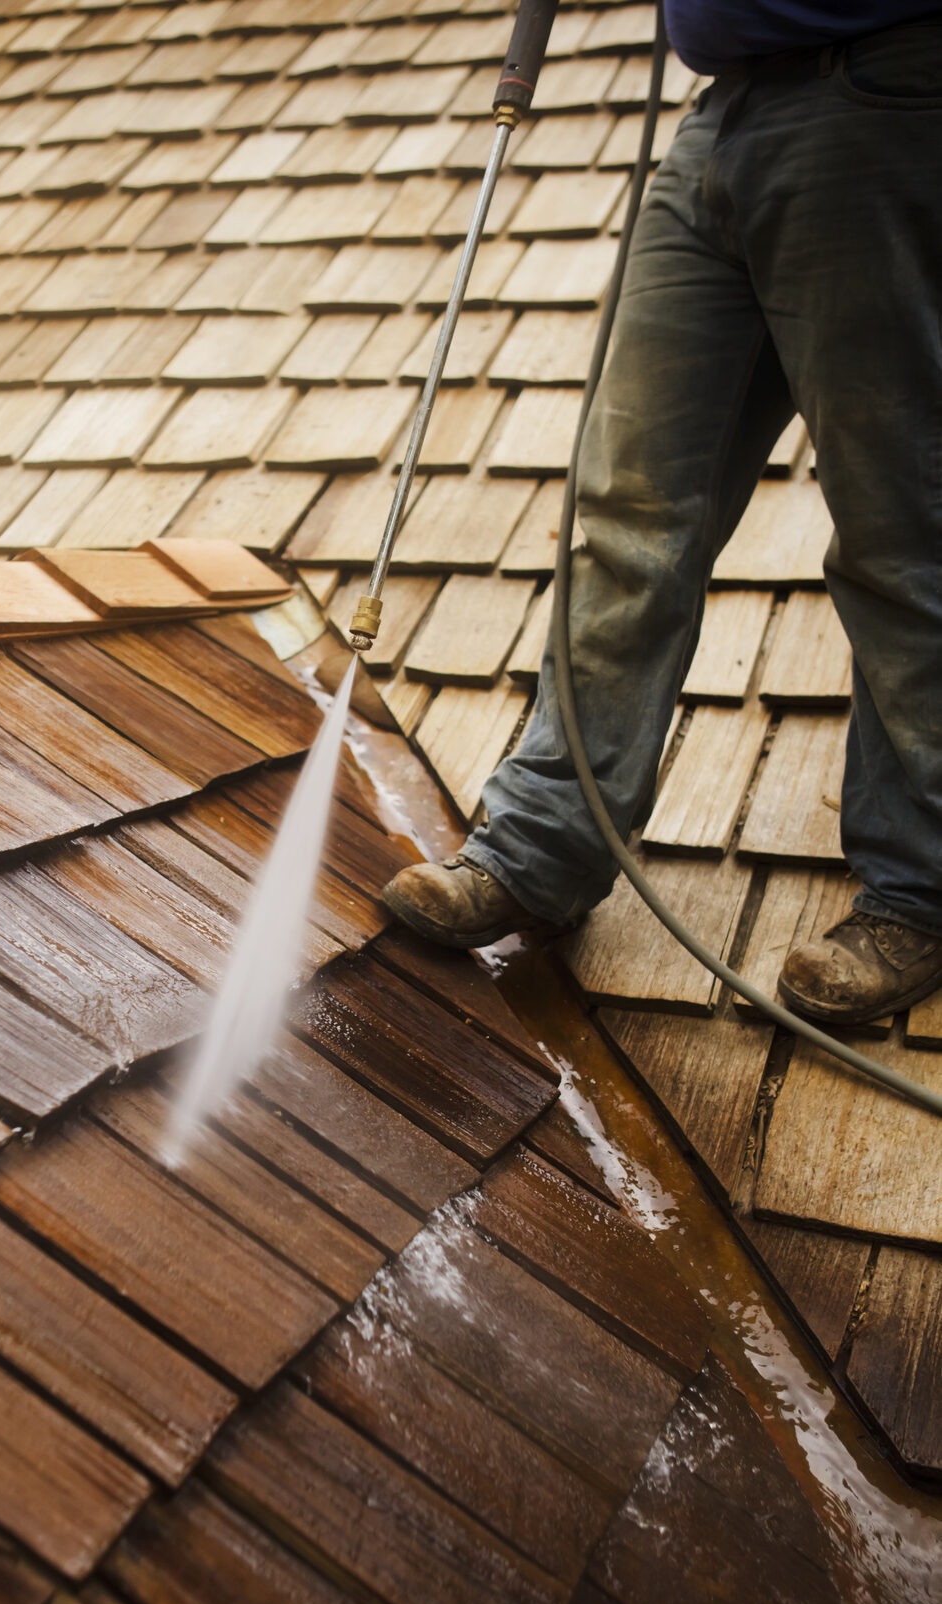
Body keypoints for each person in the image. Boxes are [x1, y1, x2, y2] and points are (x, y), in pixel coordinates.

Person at [381, 4, 942, 1027]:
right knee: (629, 503)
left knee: (898, 523)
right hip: (723, 110)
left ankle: (922, 889)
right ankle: (542, 846)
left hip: (882, 90)